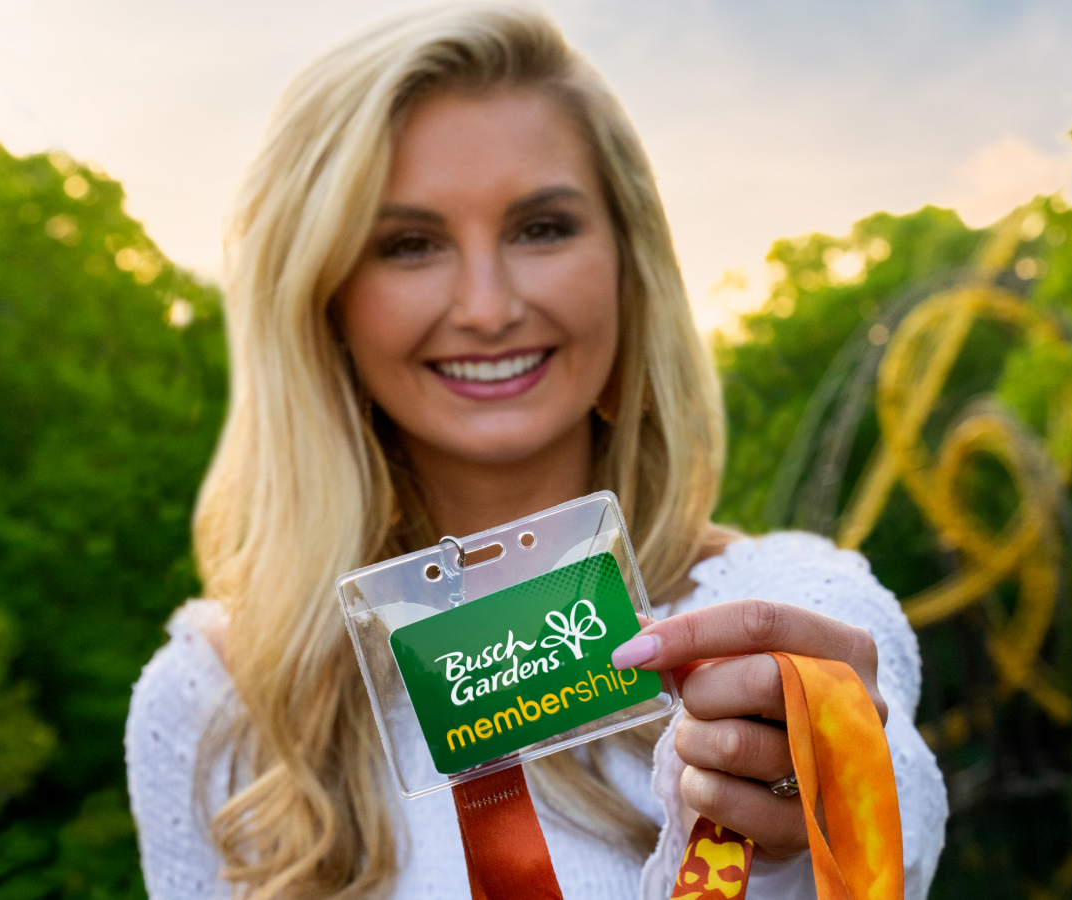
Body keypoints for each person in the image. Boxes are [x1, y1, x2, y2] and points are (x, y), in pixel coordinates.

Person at [125, 5, 947, 899]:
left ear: (629, 265)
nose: (487, 305)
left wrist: (832, 783)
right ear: (324, 298)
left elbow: (899, 822)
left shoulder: (789, 604)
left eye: (541, 228)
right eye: (409, 244)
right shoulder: (215, 701)